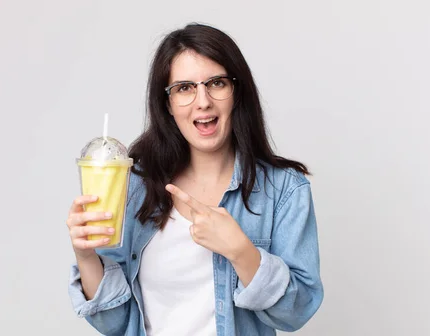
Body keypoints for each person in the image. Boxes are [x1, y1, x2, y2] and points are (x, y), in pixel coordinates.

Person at [66, 23, 323, 336]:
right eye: (185, 88)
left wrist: (242, 251)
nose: (203, 101)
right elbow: (115, 322)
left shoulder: (284, 190)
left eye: (216, 83)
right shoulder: (134, 187)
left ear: (236, 92)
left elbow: (296, 313)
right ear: (168, 105)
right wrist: (86, 257)